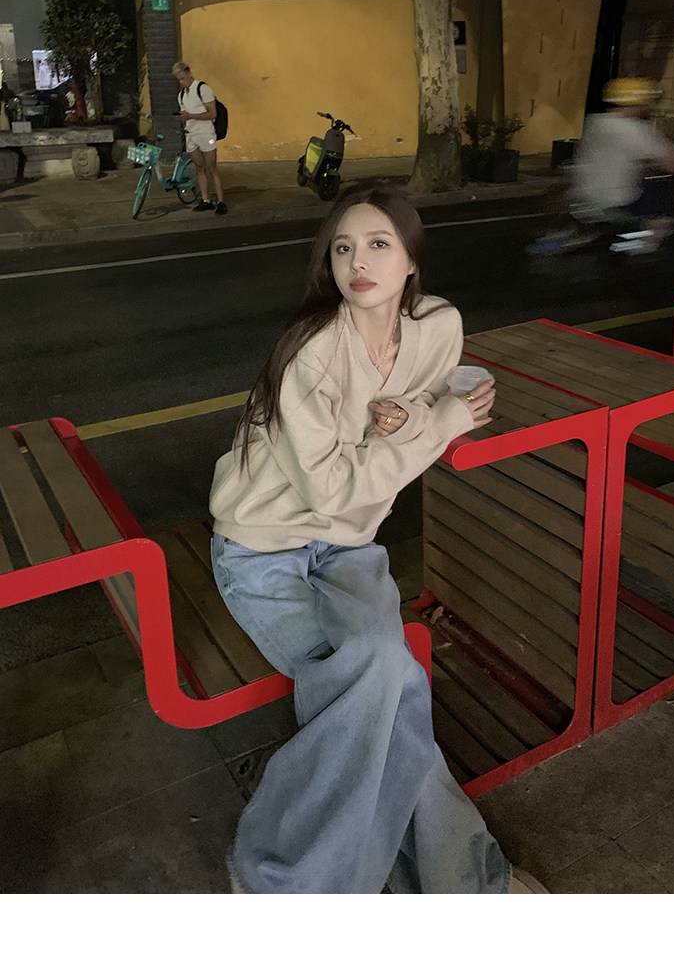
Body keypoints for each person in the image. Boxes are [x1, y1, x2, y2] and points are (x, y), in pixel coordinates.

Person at [209, 181, 546, 895]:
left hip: (348, 546)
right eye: (343, 248)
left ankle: (310, 880)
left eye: (378, 244)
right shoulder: (312, 352)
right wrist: (443, 423)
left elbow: (430, 391)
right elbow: (331, 491)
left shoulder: (439, 328)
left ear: (411, 260)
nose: (358, 262)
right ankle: (458, 882)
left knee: (381, 677)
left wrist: (422, 413)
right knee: (380, 679)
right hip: (261, 550)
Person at [570, 77, 674, 252]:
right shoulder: (636, 130)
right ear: (639, 104)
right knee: (660, 202)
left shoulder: (594, 122)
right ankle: (643, 247)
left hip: (583, 195)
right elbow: (670, 163)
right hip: (617, 199)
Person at [172, 60, 227, 215]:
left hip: (206, 133)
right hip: (191, 134)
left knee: (212, 168)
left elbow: (212, 113)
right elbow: (187, 115)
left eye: (182, 78)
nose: (181, 82)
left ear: (189, 73)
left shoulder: (203, 89)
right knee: (199, 168)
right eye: (179, 79)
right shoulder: (182, 95)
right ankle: (205, 200)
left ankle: (221, 201)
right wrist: (183, 118)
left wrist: (191, 116)